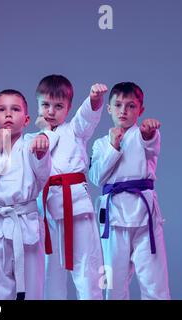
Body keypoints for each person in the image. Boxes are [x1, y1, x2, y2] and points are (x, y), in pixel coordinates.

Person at [88, 82, 170, 299]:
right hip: (113, 219)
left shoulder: (143, 135)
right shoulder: (100, 144)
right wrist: (114, 147)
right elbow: (96, 178)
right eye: (118, 105)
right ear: (109, 109)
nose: (123, 111)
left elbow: (151, 146)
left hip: (145, 218)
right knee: (112, 284)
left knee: (155, 282)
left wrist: (149, 133)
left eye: (131, 106)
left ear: (140, 111)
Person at [0, 89, 52, 300]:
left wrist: (42, 152)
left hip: (25, 223)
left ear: (26, 120)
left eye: (15, 109)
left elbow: (44, 176)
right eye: (2, 110)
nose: (8, 114)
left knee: (32, 287)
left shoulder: (32, 146)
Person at [35, 74, 107, 299]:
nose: (51, 111)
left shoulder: (75, 130)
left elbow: (87, 118)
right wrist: (43, 133)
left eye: (58, 106)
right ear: (37, 105)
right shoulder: (33, 138)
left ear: (69, 108)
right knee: (50, 273)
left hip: (76, 207)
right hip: (47, 213)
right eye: (45, 105)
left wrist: (94, 101)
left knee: (87, 268)